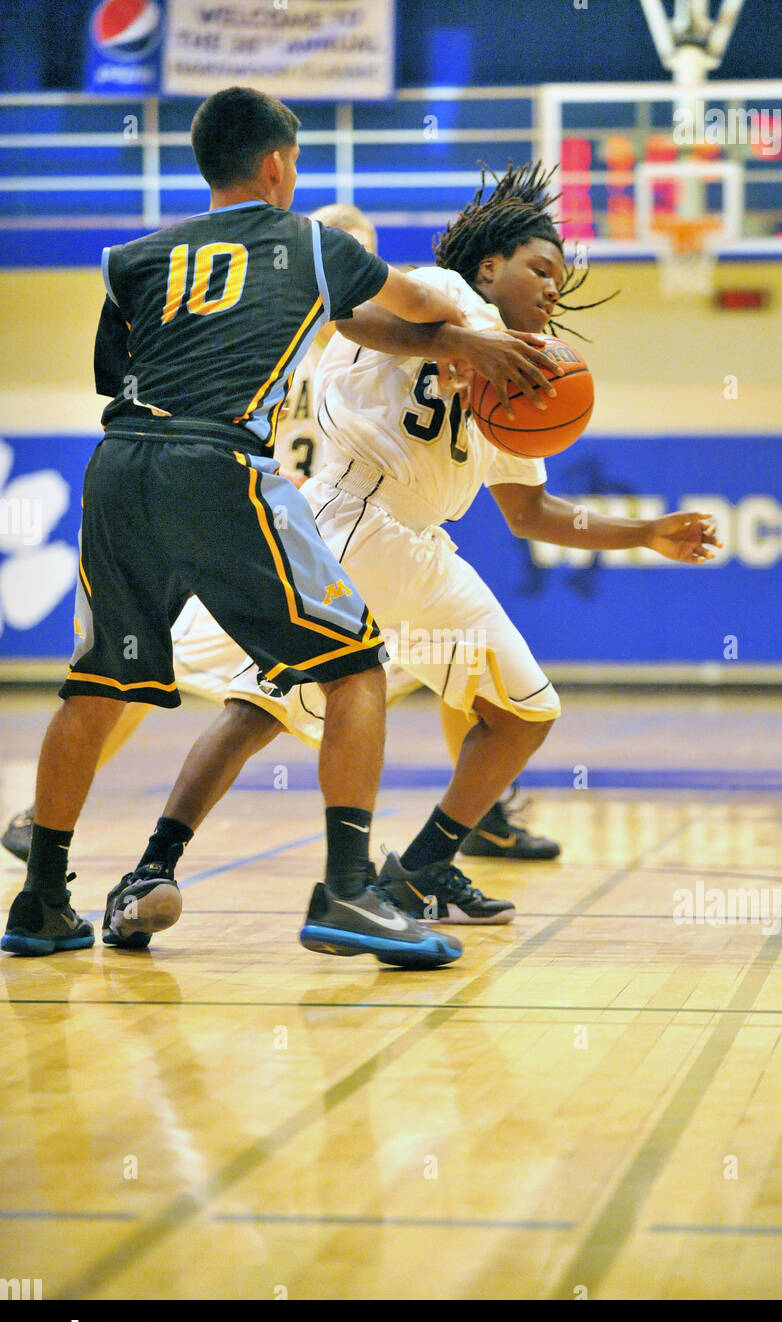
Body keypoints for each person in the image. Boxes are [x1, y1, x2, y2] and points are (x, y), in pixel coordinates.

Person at [93, 160, 720, 940]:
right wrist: (457, 339)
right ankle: (332, 880)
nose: (552, 287)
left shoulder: (524, 370)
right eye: (539, 269)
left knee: (476, 712)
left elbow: (527, 511)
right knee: (288, 707)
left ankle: (387, 867)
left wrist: (644, 533)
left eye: (560, 277)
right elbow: (345, 310)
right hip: (353, 518)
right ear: (488, 267)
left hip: (403, 545)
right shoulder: (446, 292)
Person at [0, 90, 552, 967]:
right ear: (276, 165)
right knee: (354, 665)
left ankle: (41, 902)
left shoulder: (132, 258)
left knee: (98, 683)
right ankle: (347, 892)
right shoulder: (308, 242)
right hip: (219, 468)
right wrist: (478, 346)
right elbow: (410, 306)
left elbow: (121, 367)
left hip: (118, 468)